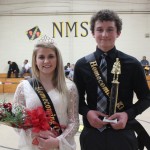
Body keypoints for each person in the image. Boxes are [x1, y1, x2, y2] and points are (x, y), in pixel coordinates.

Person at [74, 9, 150, 150]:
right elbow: (76, 100)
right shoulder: (81, 65)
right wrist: (87, 112)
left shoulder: (132, 64)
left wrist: (127, 114)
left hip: (123, 133)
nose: (104, 34)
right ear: (93, 33)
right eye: (99, 30)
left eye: (110, 29)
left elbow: (146, 97)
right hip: (92, 133)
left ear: (118, 33)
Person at [12, 41, 79, 150]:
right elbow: (16, 119)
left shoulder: (69, 87)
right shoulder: (24, 87)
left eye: (51, 56)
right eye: (41, 57)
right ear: (35, 60)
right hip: (33, 145)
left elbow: (74, 121)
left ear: (57, 59)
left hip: (60, 146)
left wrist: (58, 141)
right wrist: (35, 133)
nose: (46, 61)